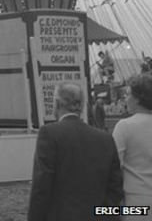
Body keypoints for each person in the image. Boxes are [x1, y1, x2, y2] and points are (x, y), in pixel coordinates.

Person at [27, 82, 123, 221]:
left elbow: (42, 186)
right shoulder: (105, 138)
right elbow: (115, 186)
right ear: (82, 106)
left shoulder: (49, 133)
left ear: (57, 103)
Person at [112, 74, 152, 209]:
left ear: (137, 99)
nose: (125, 99)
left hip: (135, 200)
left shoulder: (124, 126)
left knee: (97, 211)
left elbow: (115, 166)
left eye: (127, 95)